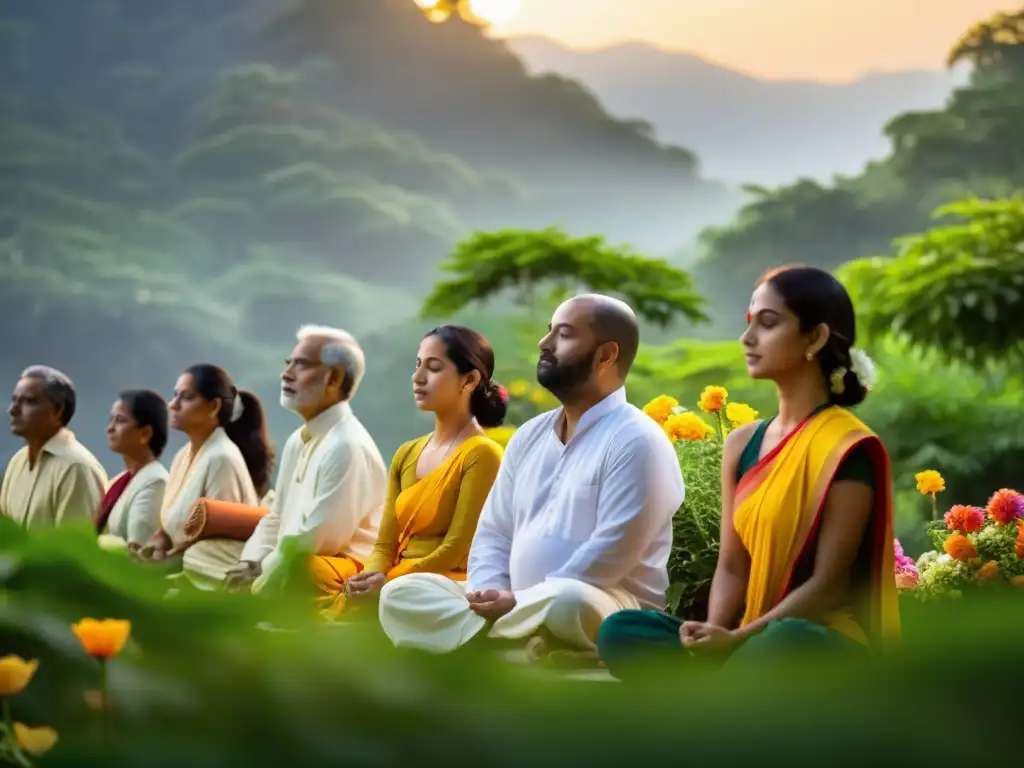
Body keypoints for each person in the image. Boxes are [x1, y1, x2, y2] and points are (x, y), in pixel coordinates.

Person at [596, 266, 901, 680]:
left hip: (815, 642)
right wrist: (716, 636)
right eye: (749, 322)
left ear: (815, 338)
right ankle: (725, 680)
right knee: (622, 630)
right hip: (749, 642)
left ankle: (722, 686)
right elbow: (732, 565)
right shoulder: (743, 443)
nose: (748, 338)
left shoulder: (847, 447)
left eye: (768, 323)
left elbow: (829, 584)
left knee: (784, 640)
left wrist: (741, 640)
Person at [377, 295, 685, 656]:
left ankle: (493, 639)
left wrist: (517, 601)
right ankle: (519, 639)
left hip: (603, 601)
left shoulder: (638, 439)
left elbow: (611, 554)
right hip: (512, 601)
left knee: (567, 602)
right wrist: (487, 591)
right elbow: (493, 531)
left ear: (606, 356)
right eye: (548, 330)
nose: (545, 343)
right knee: (401, 592)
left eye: (564, 334)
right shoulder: (530, 435)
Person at [184, 326, 387, 599]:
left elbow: (315, 542)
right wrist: (250, 561)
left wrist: (259, 573)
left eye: (301, 365)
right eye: (288, 363)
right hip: (285, 557)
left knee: (296, 567)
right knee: (203, 554)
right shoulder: (298, 439)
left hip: (328, 569)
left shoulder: (347, 445)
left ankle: (250, 597)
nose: (286, 373)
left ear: (334, 378)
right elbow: (277, 516)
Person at [343, 325, 505, 613]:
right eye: (418, 365)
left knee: (399, 595)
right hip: (394, 578)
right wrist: (370, 575)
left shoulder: (482, 454)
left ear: (468, 380)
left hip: (442, 582)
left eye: (433, 367)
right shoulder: (406, 453)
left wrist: (388, 580)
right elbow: (384, 544)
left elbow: (455, 549)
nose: (417, 377)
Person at [141, 364, 273, 560]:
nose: (173, 404)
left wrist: (165, 563)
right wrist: (161, 539)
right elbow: (175, 525)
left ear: (214, 407)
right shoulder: (182, 455)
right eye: (175, 395)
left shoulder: (222, 459)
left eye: (187, 397)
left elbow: (220, 541)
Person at [1, 366, 107, 529]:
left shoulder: (76, 469)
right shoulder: (17, 461)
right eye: (14, 400)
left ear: (57, 410)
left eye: (28, 401)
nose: (13, 410)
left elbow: (75, 549)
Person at [97, 389, 170, 551]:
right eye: (111, 420)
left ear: (145, 433)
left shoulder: (155, 481)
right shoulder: (122, 479)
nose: (110, 428)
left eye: (120, 421)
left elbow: (139, 551)